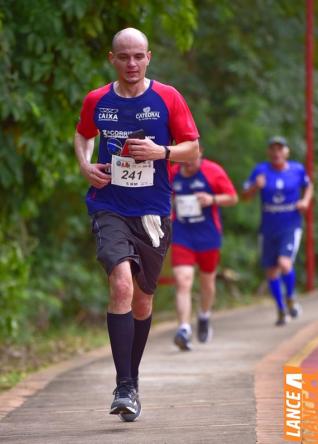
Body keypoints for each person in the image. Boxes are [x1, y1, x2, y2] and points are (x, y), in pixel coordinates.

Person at [74, 28, 199, 421]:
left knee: (143, 299)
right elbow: (83, 135)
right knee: (121, 284)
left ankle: (133, 379)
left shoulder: (168, 98)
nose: (131, 64)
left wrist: (162, 151)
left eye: (138, 56)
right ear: (112, 58)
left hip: (152, 211)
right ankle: (123, 386)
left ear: (148, 57)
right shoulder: (98, 99)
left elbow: (193, 147)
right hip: (109, 205)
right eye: (123, 57)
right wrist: (84, 165)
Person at [170, 148, 238, 351]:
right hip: (182, 234)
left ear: (200, 155)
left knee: (207, 283)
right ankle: (183, 328)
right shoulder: (172, 172)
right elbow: (163, 196)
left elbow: (233, 197)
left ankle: (204, 315)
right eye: (184, 162)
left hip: (208, 236)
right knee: (183, 280)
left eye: (191, 161)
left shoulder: (213, 171)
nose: (187, 165)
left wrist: (212, 199)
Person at [242, 136, 314, 326]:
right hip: (268, 229)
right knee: (272, 271)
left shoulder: (297, 170)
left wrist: (305, 201)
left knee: (284, 263)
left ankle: (290, 296)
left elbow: (309, 186)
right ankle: (281, 309)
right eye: (273, 149)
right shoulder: (261, 170)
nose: (276, 153)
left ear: (286, 152)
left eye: (280, 149)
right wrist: (255, 187)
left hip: (290, 225)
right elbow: (245, 196)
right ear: (269, 153)